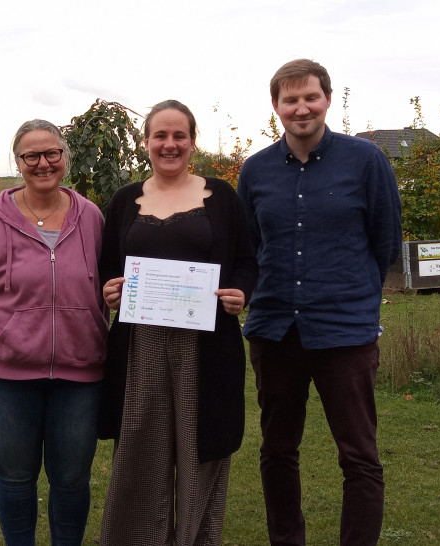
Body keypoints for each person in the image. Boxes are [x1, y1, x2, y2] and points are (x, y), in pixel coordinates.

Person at [237, 59, 403, 545]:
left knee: (359, 456)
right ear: (276, 107)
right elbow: (249, 246)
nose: (301, 107)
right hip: (274, 332)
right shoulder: (256, 169)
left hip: (345, 332)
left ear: (327, 99)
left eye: (310, 97)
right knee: (278, 450)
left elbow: (385, 242)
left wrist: (356, 299)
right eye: (290, 100)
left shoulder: (366, 160)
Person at [98, 100, 258, 545]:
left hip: (206, 347)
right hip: (140, 345)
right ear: (145, 142)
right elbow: (108, 268)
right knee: (138, 451)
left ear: (192, 141)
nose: (170, 145)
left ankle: (194, 538)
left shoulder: (221, 196)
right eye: (160, 136)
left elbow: (247, 261)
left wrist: (241, 292)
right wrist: (109, 291)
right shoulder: (125, 200)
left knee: (198, 452)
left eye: (179, 136)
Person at [0, 119, 109, 546]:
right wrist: (9, 333)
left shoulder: (91, 215)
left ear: (65, 157)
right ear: (19, 162)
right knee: (15, 477)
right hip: (4, 376)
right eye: (32, 156)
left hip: (80, 373)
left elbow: (101, 284)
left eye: (52, 154)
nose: (43, 163)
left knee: (71, 479)